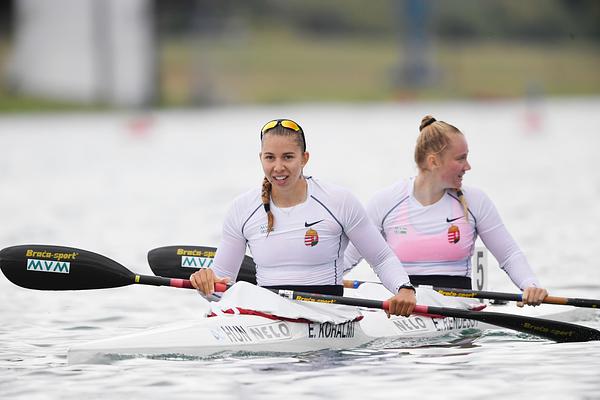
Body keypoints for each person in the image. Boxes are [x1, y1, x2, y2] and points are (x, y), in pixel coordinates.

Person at [190, 118, 417, 316]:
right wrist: (206, 285)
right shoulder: (242, 209)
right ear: (261, 158)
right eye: (270, 158)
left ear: (304, 158)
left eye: (288, 157)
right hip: (267, 314)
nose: (278, 167)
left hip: (329, 315)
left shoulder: (338, 201)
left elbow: (381, 258)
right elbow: (220, 288)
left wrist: (404, 289)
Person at [344, 115, 548, 306]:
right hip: (404, 307)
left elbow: (509, 255)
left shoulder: (475, 201)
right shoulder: (385, 202)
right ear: (434, 162)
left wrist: (530, 285)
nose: (468, 166)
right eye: (461, 159)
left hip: (459, 306)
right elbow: (346, 259)